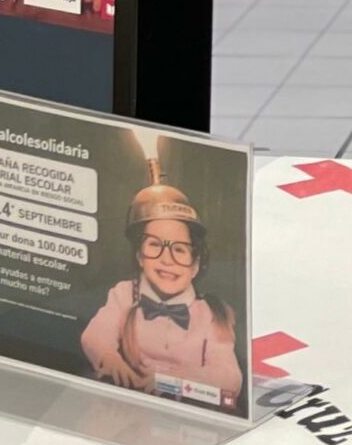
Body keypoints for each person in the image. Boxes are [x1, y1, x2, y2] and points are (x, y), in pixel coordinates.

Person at [81, 169, 243, 411]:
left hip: (189, 414)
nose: (166, 259)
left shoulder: (212, 313)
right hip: (127, 407)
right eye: (155, 245)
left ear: (196, 265)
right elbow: (94, 335)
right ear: (139, 256)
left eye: (179, 249)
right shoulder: (124, 294)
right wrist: (109, 358)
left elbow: (229, 377)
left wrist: (175, 383)